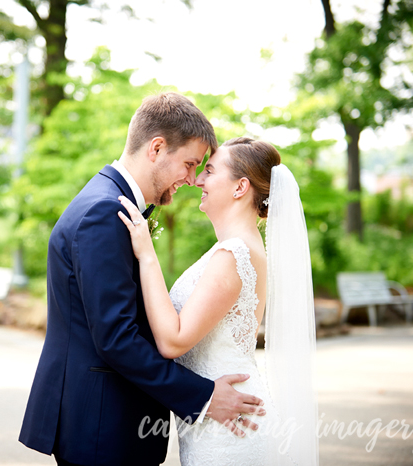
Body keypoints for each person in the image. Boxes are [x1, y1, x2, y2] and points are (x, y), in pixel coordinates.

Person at [19, 94, 266, 466]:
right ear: (156, 148)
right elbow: (116, 337)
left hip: (110, 422)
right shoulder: (105, 211)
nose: (192, 178)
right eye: (189, 163)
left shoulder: (114, 204)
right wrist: (202, 396)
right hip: (102, 426)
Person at [118, 137, 319, 465]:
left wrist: (146, 253)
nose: (197, 179)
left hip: (230, 429)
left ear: (240, 187)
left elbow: (173, 341)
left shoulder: (234, 254)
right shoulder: (239, 248)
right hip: (221, 418)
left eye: (209, 170)